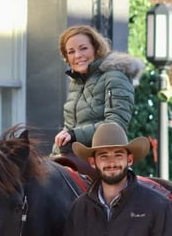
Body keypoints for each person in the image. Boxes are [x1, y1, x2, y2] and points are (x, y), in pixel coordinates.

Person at [52, 25, 144, 158]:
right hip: (73, 156)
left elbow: (115, 125)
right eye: (71, 52)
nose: (77, 55)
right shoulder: (76, 83)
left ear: (96, 49)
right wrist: (54, 158)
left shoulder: (115, 76)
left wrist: (74, 135)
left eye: (83, 48)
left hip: (104, 158)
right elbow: (68, 130)